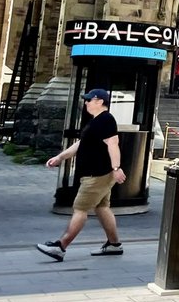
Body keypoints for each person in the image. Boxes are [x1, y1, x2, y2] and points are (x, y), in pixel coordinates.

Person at [37, 89, 125, 261]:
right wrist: (61, 157)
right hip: (97, 174)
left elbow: (113, 143)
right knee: (101, 207)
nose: (86, 103)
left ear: (100, 101)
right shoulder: (97, 121)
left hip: (96, 175)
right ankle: (114, 245)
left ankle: (60, 247)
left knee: (80, 209)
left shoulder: (106, 119)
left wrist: (116, 168)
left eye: (89, 100)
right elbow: (82, 144)